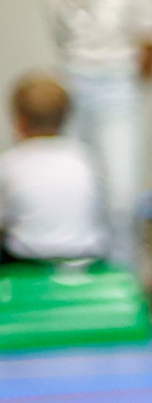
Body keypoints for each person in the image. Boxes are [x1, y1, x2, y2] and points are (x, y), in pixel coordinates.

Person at [48, 0, 152, 271]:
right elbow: (64, 43)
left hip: (117, 88)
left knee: (121, 197)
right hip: (74, 88)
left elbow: (151, 47)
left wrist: (126, 89)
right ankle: (80, 276)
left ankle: (125, 280)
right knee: (77, 191)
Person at [0, 74, 108, 263]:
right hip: (86, 255)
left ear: (20, 121)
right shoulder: (85, 157)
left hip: (29, 258)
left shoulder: (10, 162)